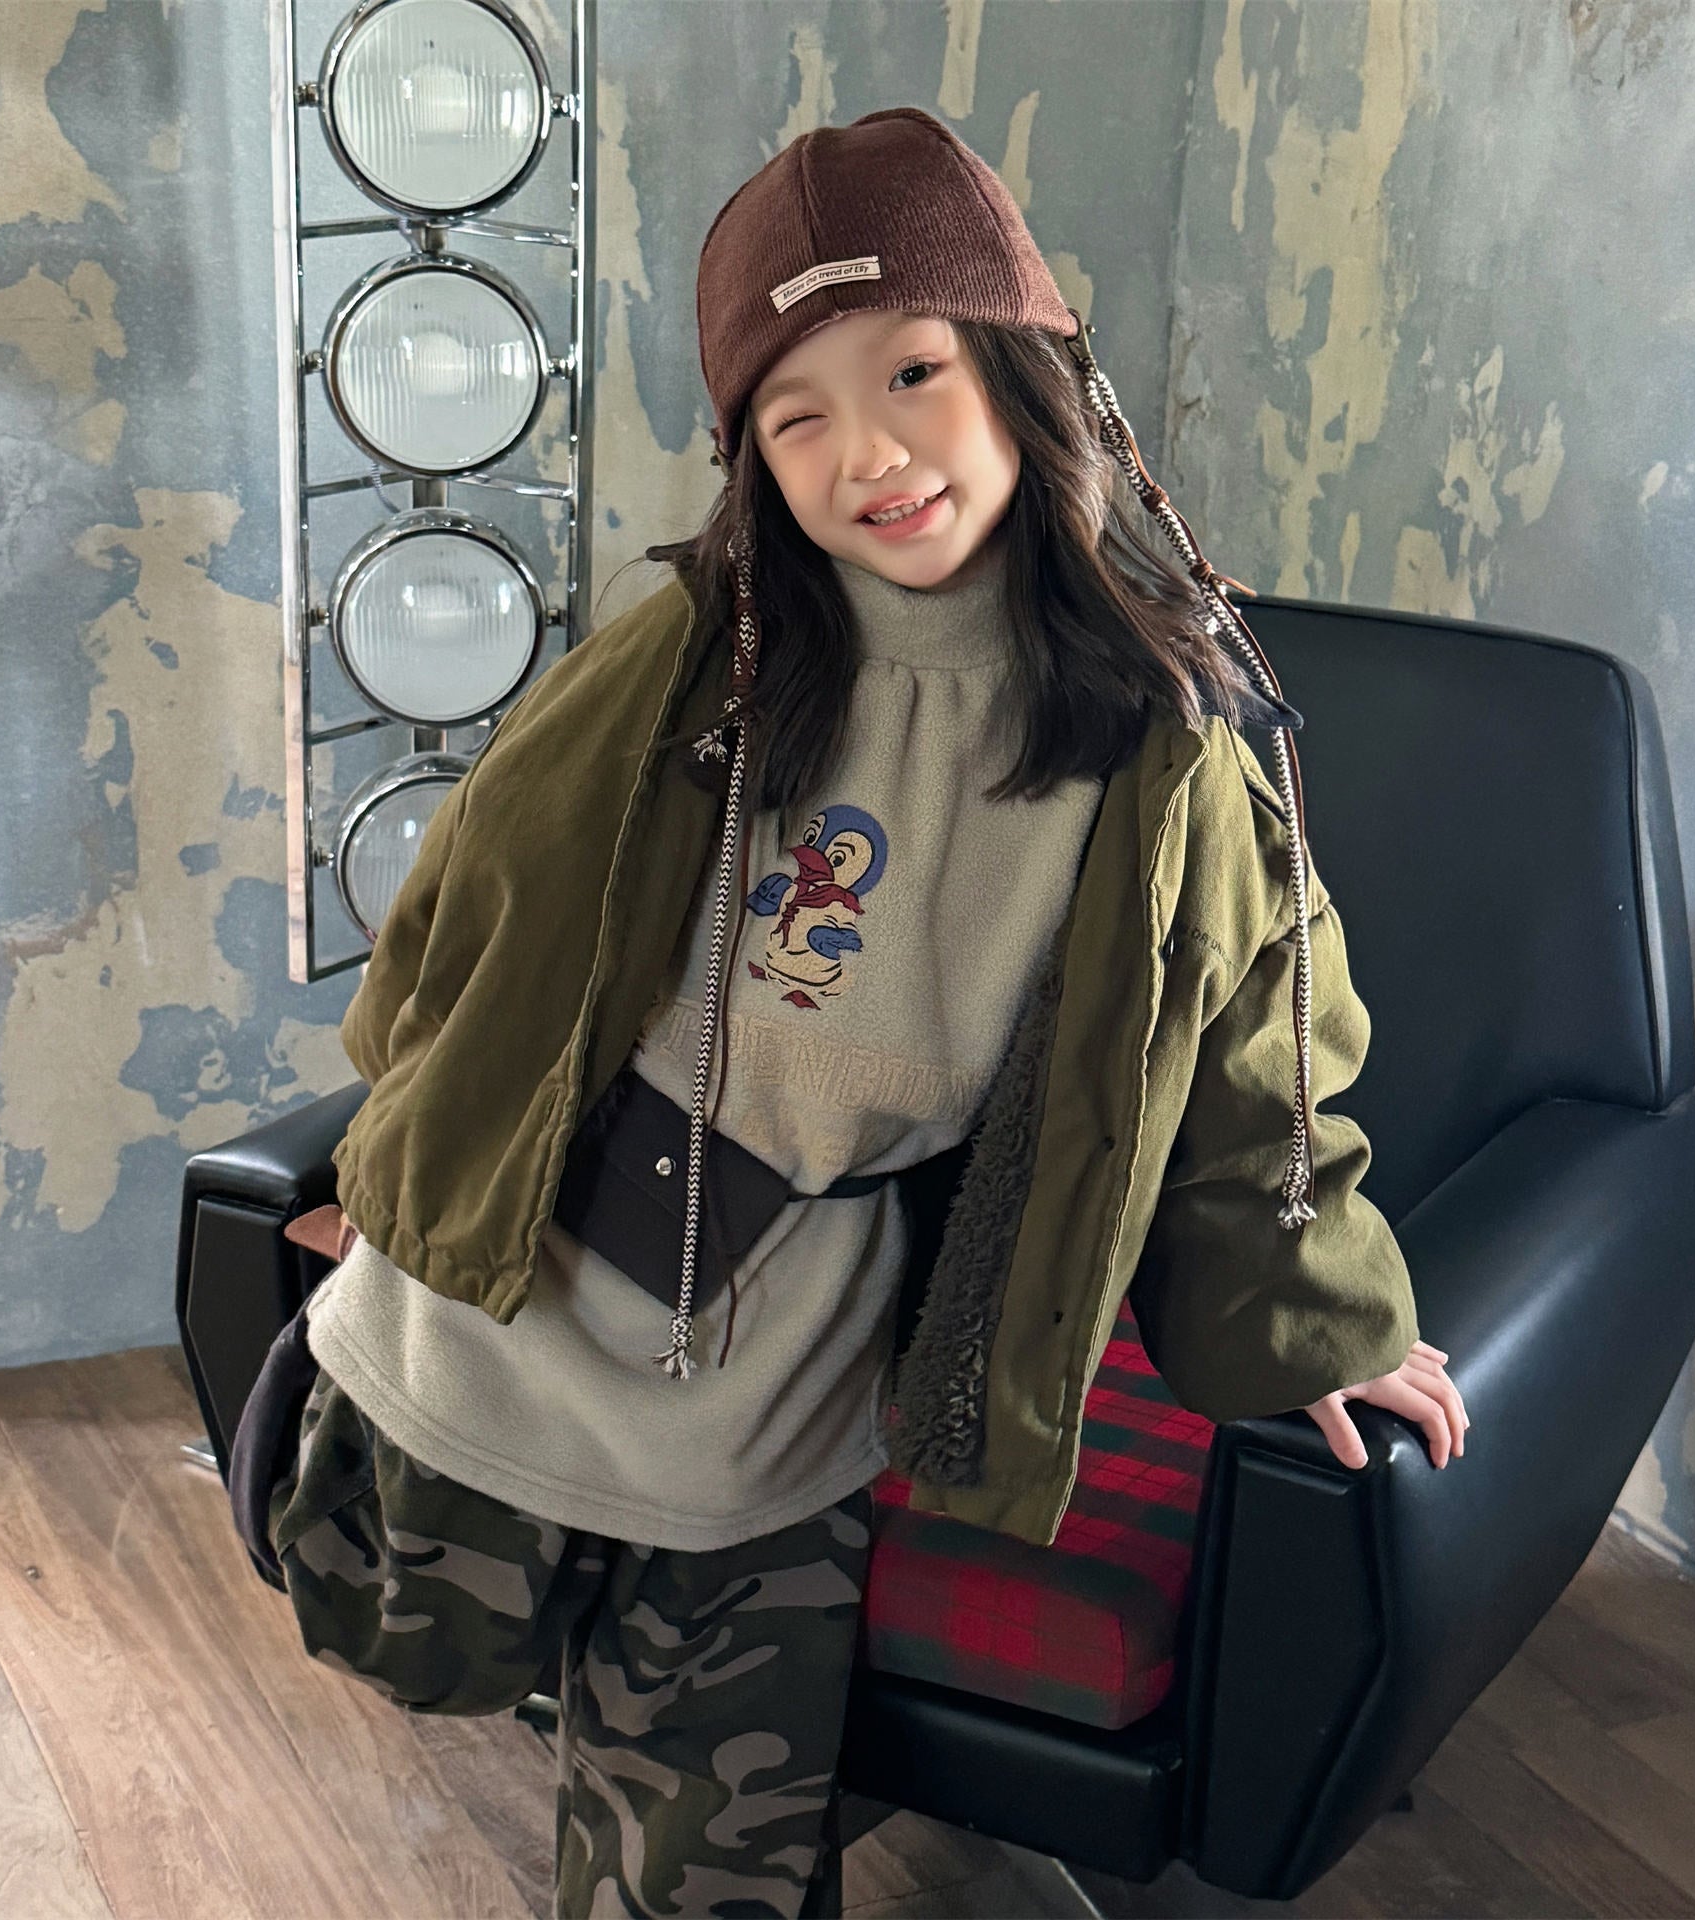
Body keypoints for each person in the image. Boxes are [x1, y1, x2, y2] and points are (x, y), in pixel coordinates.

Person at [241, 107, 1468, 1920]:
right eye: (794, 414)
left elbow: (1255, 1060)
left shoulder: (1164, 744)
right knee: (390, 1631)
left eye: (911, 372)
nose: (869, 452)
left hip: (778, 1400)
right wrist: (400, 1172)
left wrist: (1316, 1318)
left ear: (1026, 373)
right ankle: (310, 1383)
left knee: (703, 1874)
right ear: (750, 457)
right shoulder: (690, 654)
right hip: (504, 1319)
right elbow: (465, 933)